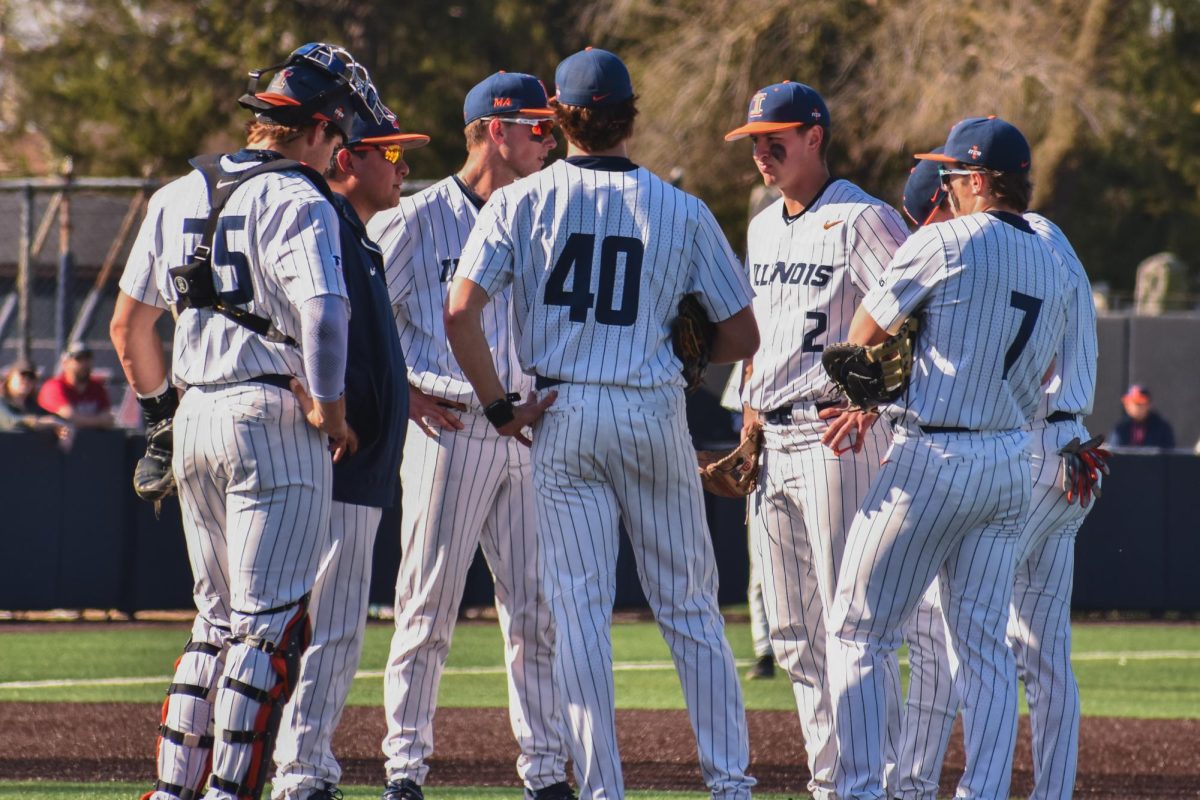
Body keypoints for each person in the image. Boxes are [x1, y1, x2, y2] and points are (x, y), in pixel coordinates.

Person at [444, 47, 759, 800]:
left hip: (562, 410)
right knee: (688, 604)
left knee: (579, 610)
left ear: (559, 116)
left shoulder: (519, 203)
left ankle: (602, 789)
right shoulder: (681, 207)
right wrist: (688, 355)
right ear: (629, 115)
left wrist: (497, 405)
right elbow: (743, 338)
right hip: (651, 406)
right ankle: (730, 784)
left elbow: (460, 313)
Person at [110, 42, 380, 800]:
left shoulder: (175, 192)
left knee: (213, 624)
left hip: (195, 407)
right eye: (341, 133)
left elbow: (129, 328)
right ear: (322, 128)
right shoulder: (300, 198)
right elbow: (326, 318)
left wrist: (164, 415)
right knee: (266, 629)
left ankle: (173, 789)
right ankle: (230, 792)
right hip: (269, 412)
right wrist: (330, 411)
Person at [823, 116, 1069, 800]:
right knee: (984, 648)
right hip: (1007, 460)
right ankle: (983, 793)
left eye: (954, 175)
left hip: (934, 453)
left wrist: (873, 388)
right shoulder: (1051, 254)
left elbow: (864, 336)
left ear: (980, 180)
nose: (947, 186)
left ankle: (860, 792)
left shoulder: (944, 240)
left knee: (858, 630)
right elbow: (1049, 365)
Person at [369, 71, 572, 800]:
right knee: (426, 606)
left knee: (537, 613)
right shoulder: (414, 220)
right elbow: (363, 326)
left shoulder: (544, 213)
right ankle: (404, 767)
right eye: (537, 126)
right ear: (496, 130)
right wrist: (410, 394)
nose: (549, 138)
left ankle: (546, 770)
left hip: (528, 431)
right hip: (452, 428)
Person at [888, 152, 1101, 800]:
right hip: (1073, 449)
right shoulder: (1048, 237)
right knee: (1042, 653)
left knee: (943, 620)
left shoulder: (987, 252)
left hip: (1026, 447)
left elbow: (1022, 364)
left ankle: (914, 784)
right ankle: (1050, 793)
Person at [722, 80, 909, 798]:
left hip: (837, 439)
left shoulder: (865, 218)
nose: (762, 153)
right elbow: (757, 334)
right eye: (754, 142)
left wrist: (876, 401)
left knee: (851, 628)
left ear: (814, 136)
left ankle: (885, 783)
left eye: (777, 139)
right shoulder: (763, 224)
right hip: (772, 439)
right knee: (796, 636)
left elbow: (912, 316)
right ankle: (830, 782)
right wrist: (746, 412)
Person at [270, 108, 425, 800]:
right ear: (347, 159)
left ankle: (303, 763)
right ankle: (299, 769)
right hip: (335, 459)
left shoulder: (354, 232)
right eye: (389, 152)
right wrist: (330, 416)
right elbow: (314, 331)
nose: (403, 167)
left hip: (356, 462)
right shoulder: (325, 223)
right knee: (326, 624)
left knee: (332, 623)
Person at [37, 343, 113, 428]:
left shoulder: (97, 387)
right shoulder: (54, 386)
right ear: (65, 363)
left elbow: (108, 419)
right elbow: (68, 418)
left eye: (87, 358)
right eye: (78, 359)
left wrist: (82, 420)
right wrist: (99, 421)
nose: (84, 364)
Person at [1, 359, 67, 434]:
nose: (26, 380)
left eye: (31, 377)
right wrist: (44, 422)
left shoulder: (33, 407)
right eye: (22, 375)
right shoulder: (1, 403)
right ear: (10, 377)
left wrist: (63, 428)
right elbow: (11, 422)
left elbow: (58, 420)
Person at [1108, 384, 1175, 449]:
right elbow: (1114, 452)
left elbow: (1169, 455)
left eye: (1138, 404)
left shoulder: (1161, 427)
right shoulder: (1121, 428)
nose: (1132, 407)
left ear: (1148, 405)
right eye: (1128, 403)